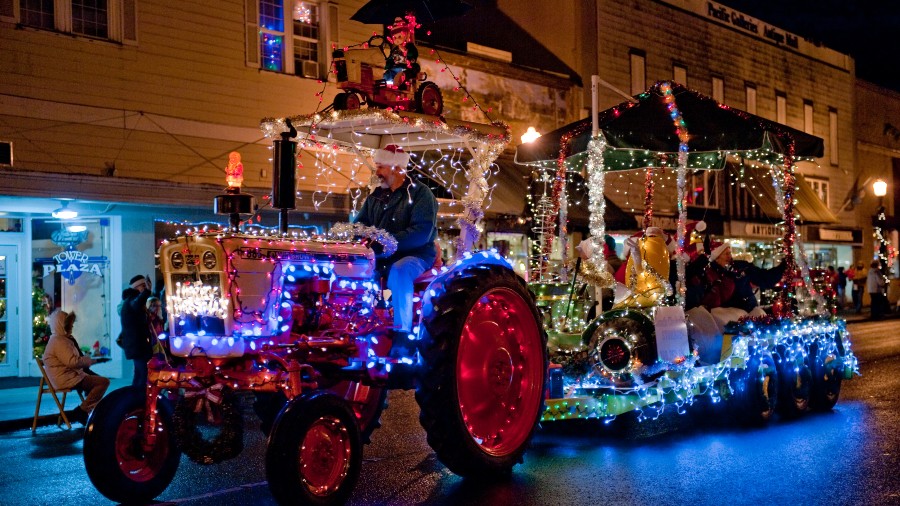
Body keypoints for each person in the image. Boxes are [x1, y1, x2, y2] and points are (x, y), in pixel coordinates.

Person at [353, 145, 437, 352]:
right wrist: (359, 238)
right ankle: (364, 325)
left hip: (414, 255)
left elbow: (421, 232)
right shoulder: (375, 197)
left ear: (397, 168)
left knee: (399, 271)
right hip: (380, 257)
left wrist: (385, 242)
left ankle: (403, 334)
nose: (377, 172)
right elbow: (359, 225)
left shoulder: (421, 194)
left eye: (381, 166)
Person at [42, 310, 110, 424]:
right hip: (67, 378)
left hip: (69, 376)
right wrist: (87, 360)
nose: (72, 326)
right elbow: (73, 361)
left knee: (98, 381)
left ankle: (87, 412)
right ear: (62, 325)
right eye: (70, 324)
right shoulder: (59, 341)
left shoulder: (60, 339)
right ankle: (82, 411)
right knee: (103, 382)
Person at [120, 274, 155, 388]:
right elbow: (138, 302)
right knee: (142, 373)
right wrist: (148, 291)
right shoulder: (132, 301)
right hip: (137, 344)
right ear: (136, 287)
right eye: (143, 286)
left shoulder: (130, 301)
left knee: (139, 373)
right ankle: (139, 398)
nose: (144, 288)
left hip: (136, 344)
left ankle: (135, 396)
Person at [383, 16, 419, 87]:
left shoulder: (409, 46)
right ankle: (390, 85)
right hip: (395, 68)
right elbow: (391, 58)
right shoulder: (395, 49)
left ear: (406, 35)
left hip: (405, 68)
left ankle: (402, 84)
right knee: (387, 75)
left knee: (411, 71)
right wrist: (388, 64)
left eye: (399, 37)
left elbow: (414, 54)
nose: (397, 40)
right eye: (395, 38)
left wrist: (406, 51)